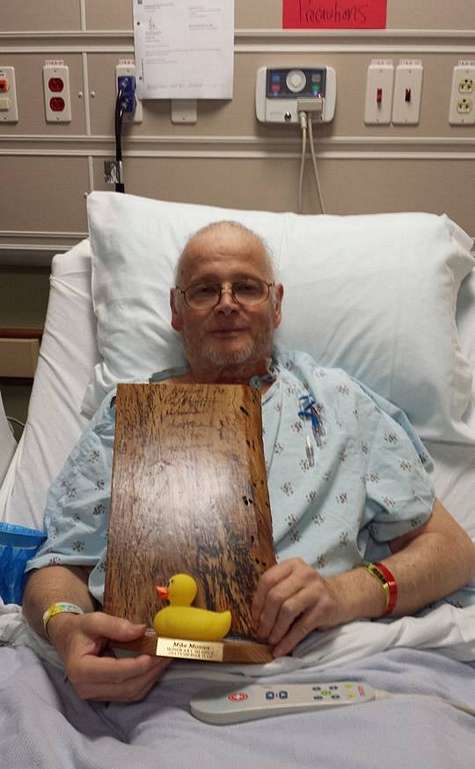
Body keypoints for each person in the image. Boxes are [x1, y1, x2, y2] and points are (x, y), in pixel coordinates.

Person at [22, 220, 475, 703]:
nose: (226, 302)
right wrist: (65, 627)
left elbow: (452, 551)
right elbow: (56, 566)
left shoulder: (339, 406)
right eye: (204, 290)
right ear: (176, 311)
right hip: (141, 679)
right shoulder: (124, 419)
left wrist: (344, 594)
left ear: (276, 304)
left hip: (321, 672)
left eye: (246, 287)